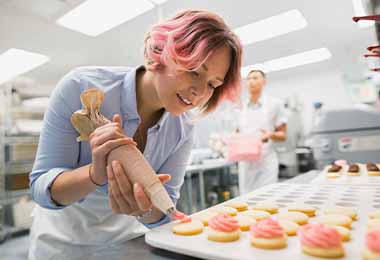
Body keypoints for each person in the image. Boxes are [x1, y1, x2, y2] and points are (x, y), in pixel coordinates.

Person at [28, 10, 242, 259]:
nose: (199, 92)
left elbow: (164, 210)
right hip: (63, 244)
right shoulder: (81, 87)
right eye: (194, 71)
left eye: (213, 85)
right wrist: (94, 175)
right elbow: (41, 188)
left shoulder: (183, 127)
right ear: (157, 55)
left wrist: (143, 210)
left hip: (127, 244)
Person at [237, 70, 287, 195]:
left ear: (264, 82)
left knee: (267, 197)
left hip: (266, 162)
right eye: (248, 79)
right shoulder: (240, 107)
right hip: (245, 163)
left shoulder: (275, 104)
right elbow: (237, 132)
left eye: (255, 78)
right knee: (246, 199)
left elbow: (283, 135)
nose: (251, 82)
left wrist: (270, 134)